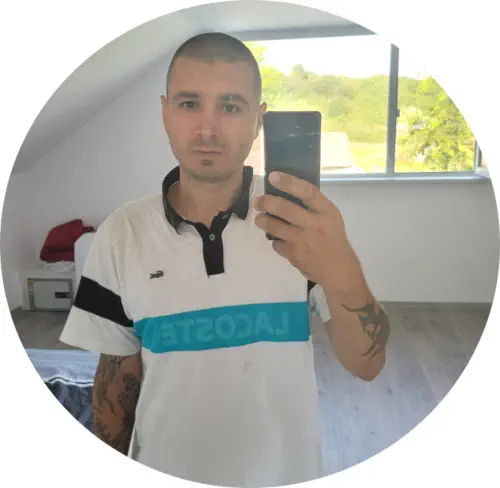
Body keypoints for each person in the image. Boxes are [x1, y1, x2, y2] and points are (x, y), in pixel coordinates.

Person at [59, 32, 390, 487]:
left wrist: (342, 267)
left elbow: (367, 365)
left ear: (258, 120)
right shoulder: (121, 233)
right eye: (189, 103)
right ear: (165, 112)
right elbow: (116, 382)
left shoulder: (301, 227)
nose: (208, 130)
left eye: (231, 107)